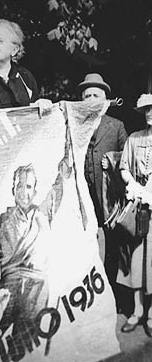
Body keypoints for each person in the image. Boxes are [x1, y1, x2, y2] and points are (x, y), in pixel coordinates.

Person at [0, 164, 51, 359]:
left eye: (29, 187)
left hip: (34, 291)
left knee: (20, 348)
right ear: (13, 190)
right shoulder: (4, 220)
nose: (24, 192)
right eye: (20, 186)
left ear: (35, 191)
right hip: (7, 289)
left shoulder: (43, 216)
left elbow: (59, 187)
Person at [78, 73, 128, 306]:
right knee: (84, 245)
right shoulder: (75, 126)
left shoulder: (116, 126)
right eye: (86, 95)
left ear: (105, 99)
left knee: (113, 245)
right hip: (82, 198)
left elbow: (128, 158)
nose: (90, 99)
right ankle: (88, 298)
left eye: (95, 95)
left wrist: (114, 159)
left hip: (108, 197)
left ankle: (113, 293)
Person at [119, 93, 152, 337]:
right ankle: (137, 310)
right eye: (146, 110)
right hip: (139, 207)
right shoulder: (134, 139)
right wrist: (133, 185)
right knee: (137, 259)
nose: (149, 113)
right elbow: (124, 167)